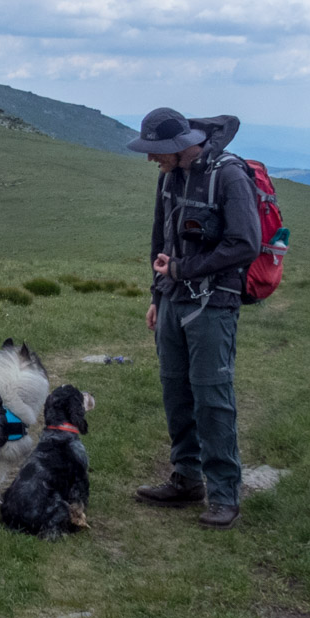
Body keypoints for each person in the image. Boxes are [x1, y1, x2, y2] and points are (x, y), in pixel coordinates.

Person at [126, 108, 260, 529]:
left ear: (180, 145)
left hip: (213, 303)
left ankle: (224, 495)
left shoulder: (230, 176)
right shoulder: (169, 177)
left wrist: (184, 270)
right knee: (176, 393)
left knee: (212, 398)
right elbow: (159, 238)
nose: (152, 159)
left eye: (157, 151)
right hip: (171, 301)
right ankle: (186, 479)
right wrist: (157, 292)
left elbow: (246, 244)